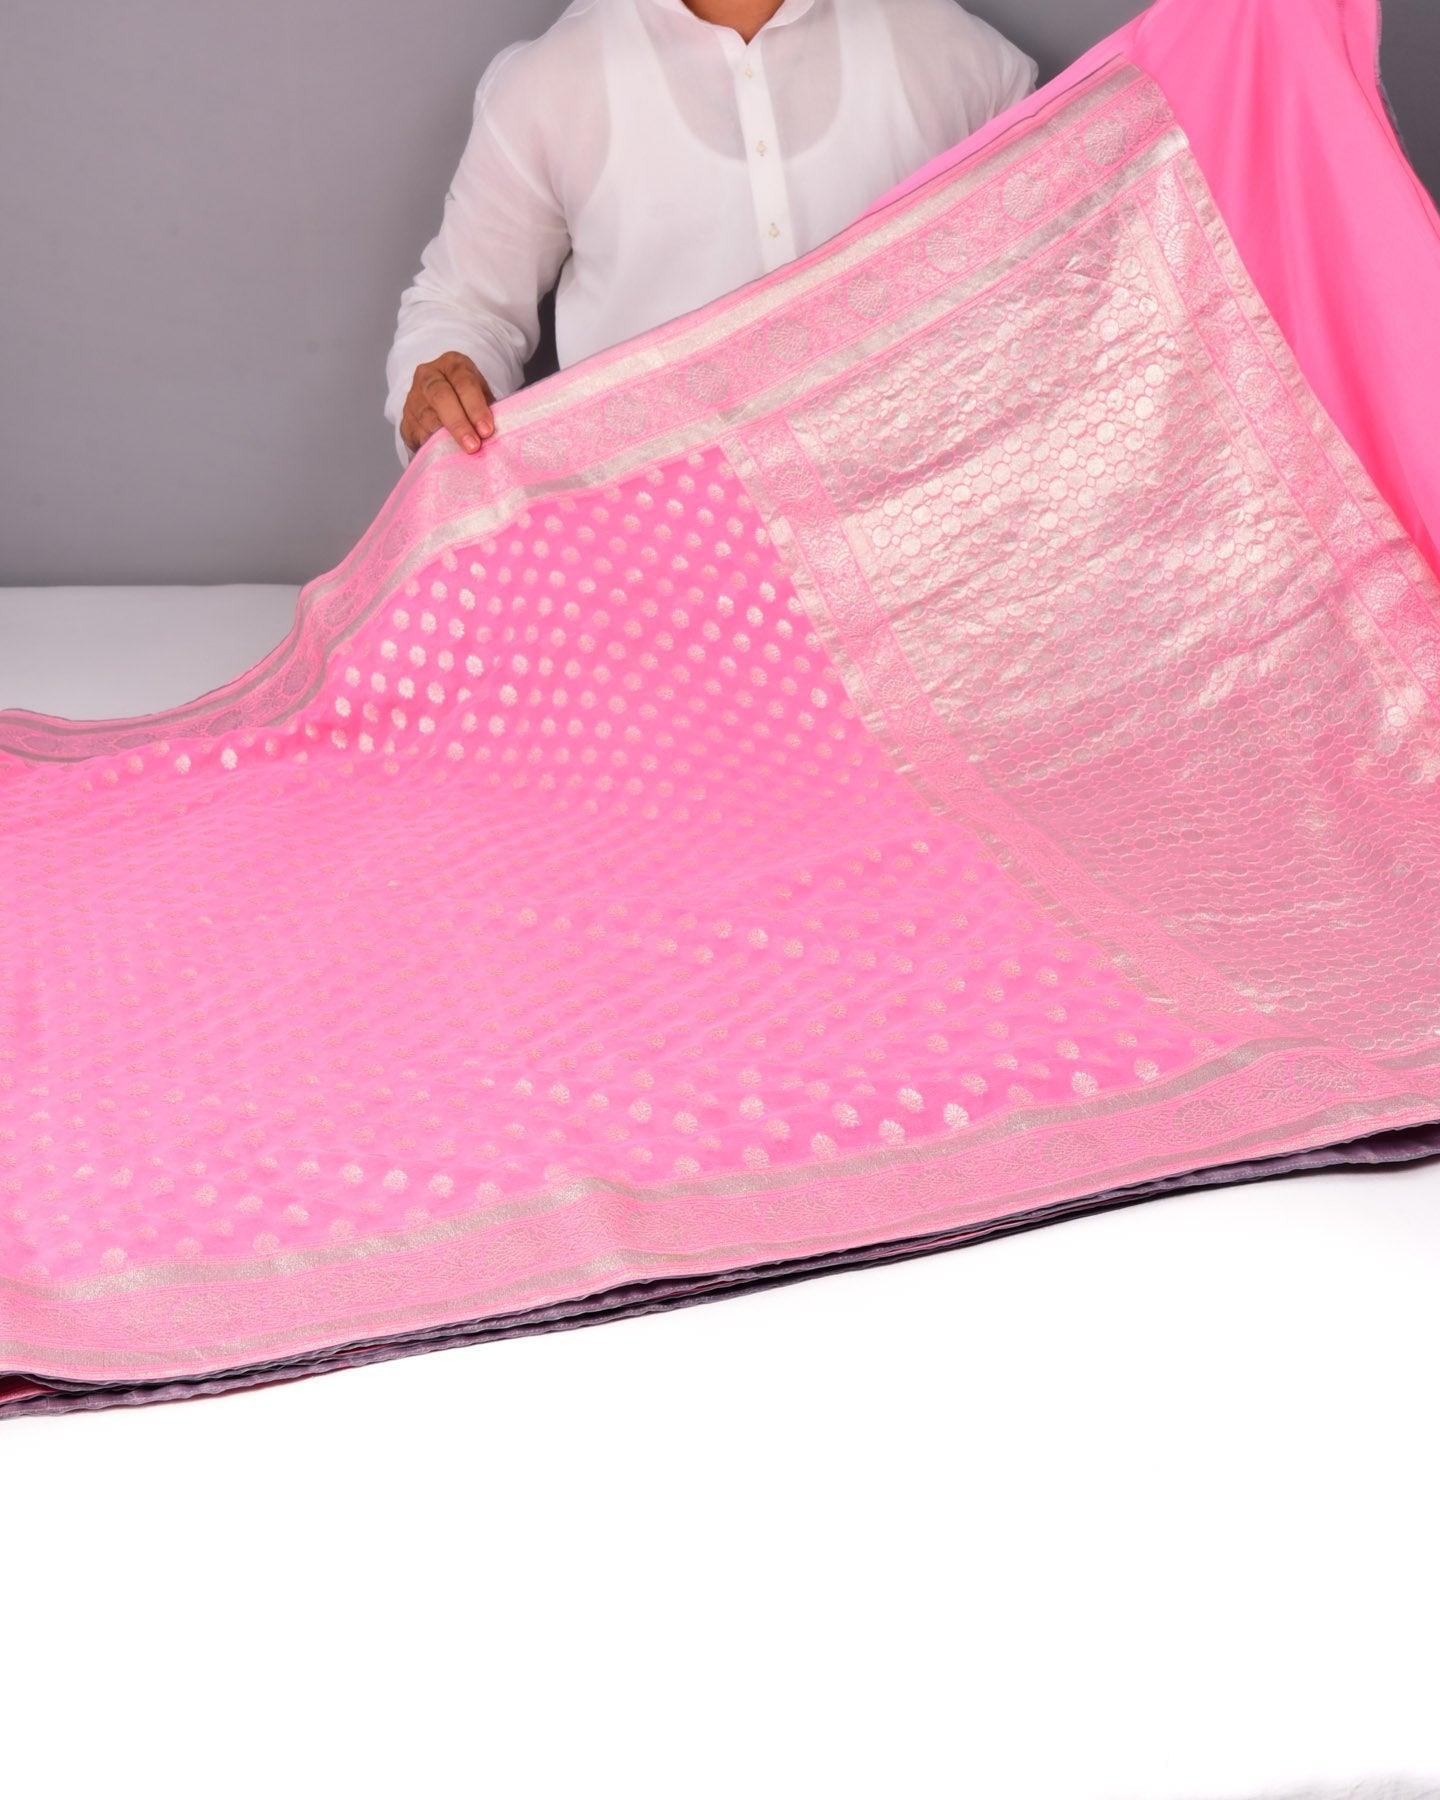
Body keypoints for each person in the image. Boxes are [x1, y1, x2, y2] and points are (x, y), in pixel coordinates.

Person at [385, 0, 1038, 463]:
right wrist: (443, 385)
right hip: (657, 553)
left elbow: (1055, 264)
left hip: (921, 534)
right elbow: (463, 306)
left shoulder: (945, 50)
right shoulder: (553, 82)